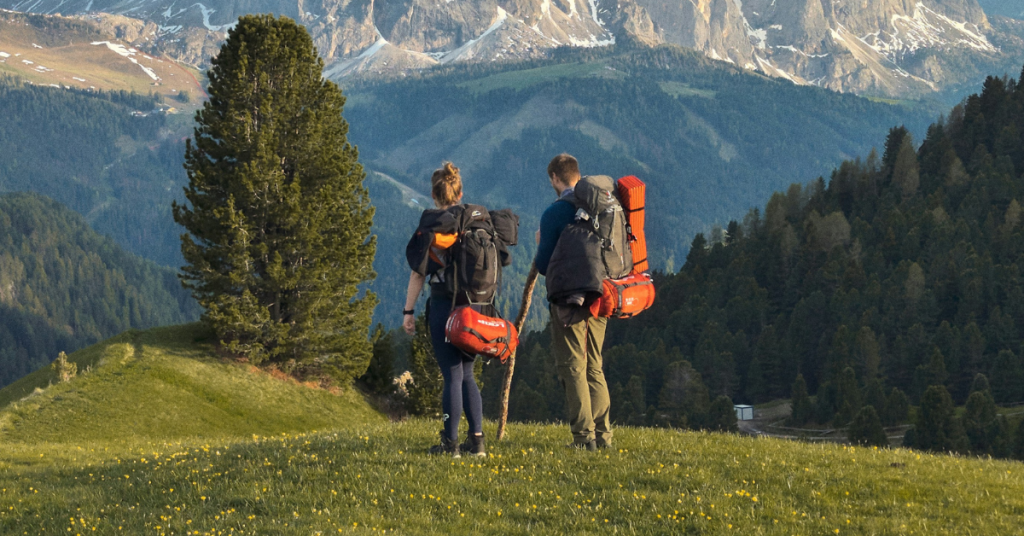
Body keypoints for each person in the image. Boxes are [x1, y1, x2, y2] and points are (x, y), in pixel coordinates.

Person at [403, 162, 485, 458]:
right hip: (476, 306)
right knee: (468, 374)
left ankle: (450, 444)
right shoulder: (473, 221)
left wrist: (408, 312)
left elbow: (418, 273)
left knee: (452, 375)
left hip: (444, 306)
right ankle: (477, 443)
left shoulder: (433, 225)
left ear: (433, 194)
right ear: (459, 191)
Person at [535, 153, 612, 451]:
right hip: (602, 294)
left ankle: (583, 438)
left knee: (573, 366)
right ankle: (604, 436)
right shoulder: (600, 204)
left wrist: (542, 241)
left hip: (570, 301)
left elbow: (544, 265)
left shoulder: (555, 213)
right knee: (595, 364)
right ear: (578, 175)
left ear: (555, 178)